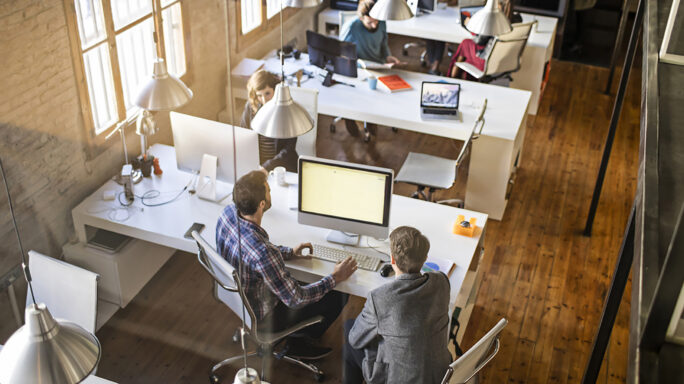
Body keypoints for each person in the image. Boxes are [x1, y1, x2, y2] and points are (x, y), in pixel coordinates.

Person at [216, 170, 358, 358]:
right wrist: (335, 277)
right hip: (265, 317)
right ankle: (298, 342)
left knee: (306, 280)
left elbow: (254, 252)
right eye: (268, 190)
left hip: (238, 300)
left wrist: (289, 253)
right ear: (262, 204)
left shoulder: (228, 214)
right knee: (339, 293)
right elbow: (296, 299)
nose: (270, 192)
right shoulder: (263, 253)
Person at [342, 226, 452, 384]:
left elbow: (355, 340)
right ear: (425, 258)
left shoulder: (379, 297)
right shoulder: (442, 281)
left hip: (399, 379)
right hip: (440, 374)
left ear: (392, 260)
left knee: (348, 340)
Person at [339, 0, 404, 139]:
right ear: (361, 18)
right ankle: (350, 117)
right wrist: (359, 66)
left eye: (377, 22)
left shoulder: (381, 21)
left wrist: (388, 56)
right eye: (370, 23)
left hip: (379, 67)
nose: (375, 25)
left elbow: (384, 43)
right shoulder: (351, 28)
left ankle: (371, 119)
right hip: (359, 70)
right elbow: (342, 56)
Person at [240, 70, 299, 173]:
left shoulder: (286, 109)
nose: (264, 100)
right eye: (259, 95)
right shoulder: (250, 107)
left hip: (282, 166)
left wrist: (267, 167)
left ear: (275, 91)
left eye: (267, 93)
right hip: (257, 165)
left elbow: (289, 149)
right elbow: (243, 135)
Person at [448, 0, 520, 79]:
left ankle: (454, 77)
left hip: (485, 60)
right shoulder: (516, 20)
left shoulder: (492, 18)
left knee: (465, 44)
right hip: (501, 59)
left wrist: (469, 24)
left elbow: (480, 40)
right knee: (466, 45)